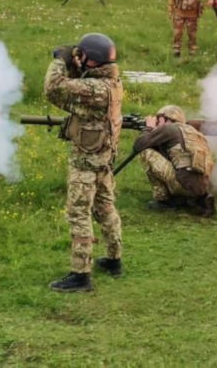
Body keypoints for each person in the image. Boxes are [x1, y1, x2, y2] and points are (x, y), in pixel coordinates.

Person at [44, 33, 124, 292]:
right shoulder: (111, 83)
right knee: (106, 209)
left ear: (91, 61)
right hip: (103, 161)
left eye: (82, 55)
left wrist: (59, 61)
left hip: (86, 164)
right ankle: (113, 259)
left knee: (79, 214)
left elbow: (54, 89)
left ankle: (80, 275)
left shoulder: (94, 90)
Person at [132, 105, 217, 217]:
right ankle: (193, 199)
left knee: (146, 152)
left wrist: (148, 128)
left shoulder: (168, 129)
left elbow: (138, 146)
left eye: (159, 120)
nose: (157, 123)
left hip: (183, 184)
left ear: (166, 119)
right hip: (202, 187)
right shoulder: (193, 132)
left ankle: (164, 200)